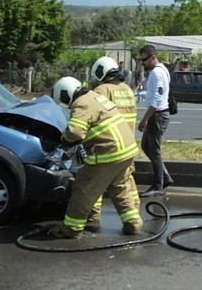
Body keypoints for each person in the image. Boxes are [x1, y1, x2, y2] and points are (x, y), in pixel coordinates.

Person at [48, 76, 142, 239]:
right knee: (119, 186)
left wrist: (64, 139)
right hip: (126, 151)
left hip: (109, 152)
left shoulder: (82, 103)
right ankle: (133, 224)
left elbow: (75, 132)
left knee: (83, 187)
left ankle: (72, 228)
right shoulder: (95, 96)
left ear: (67, 94)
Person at [82, 56, 140, 232]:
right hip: (128, 143)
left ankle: (93, 216)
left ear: (100, 72)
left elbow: (94, 116)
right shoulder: (127, 89)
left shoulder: (101, 91)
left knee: (97, 179)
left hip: (109, 143)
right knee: (126, 180)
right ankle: (134, 211)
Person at [137, 45, 174, 197]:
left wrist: (145, 119)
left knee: (154, 150)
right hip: (156, 114)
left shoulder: (157, 73)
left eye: (144, 59)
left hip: (157, 114)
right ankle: (164, 177)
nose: (142, 63)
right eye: (140, 60)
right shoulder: (160, 70)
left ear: (153, 57)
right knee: (146, 145)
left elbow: (157, 100)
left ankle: (158, 184)